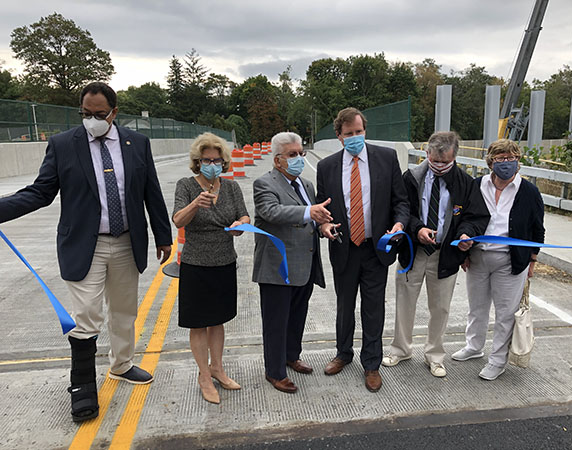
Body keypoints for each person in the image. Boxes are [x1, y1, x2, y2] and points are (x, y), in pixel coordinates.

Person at [0, 82, 172, 422]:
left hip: (126, 241)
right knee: (87, 316)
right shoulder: (64, 144)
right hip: (84, 244)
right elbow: (40, 192)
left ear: (114, 112)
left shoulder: (136, 143)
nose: (91, 120)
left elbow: (151, 190)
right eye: (85, 114)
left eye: (99, 114)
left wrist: (163, 236)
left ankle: (121, 365)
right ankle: (82, 387)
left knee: (124, 312)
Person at [316, 107, 410, 392]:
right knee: (345, 306)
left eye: (359, 132)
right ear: (339, 136)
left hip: (376, 247)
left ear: (364, 130)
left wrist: (399, 224)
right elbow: (323, 208)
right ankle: (344, 353)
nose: (355, 137)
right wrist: (323, 227)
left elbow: (401, 201)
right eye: (348, 134)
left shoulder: (386, 158)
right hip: (344, 246)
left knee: (373, 308)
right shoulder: (327, 166)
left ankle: (371, 364)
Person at [382, 131, 490, 377]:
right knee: (405, 302)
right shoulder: (411, 178)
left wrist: (465, 236)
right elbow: (400, 209)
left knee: (440, 308)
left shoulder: (465, 183)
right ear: (427, 153)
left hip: (446, 254)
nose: (440, 166)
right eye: (435, 160)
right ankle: (400, 348)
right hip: (414, 251)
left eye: (446, 162)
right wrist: (417, 228)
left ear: (455, 157)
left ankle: (435, 354)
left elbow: (476, 217)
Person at [452, 139, 545, 381]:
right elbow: (466, 218)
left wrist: (532, 261)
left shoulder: (529, 191)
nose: (506, 162)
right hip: (478, 256)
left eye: (511, 157)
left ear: (518, 160)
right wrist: (463, 249)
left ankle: (497, 360)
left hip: (510, 260)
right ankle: (474, 347)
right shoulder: (477, 185)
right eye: (500, 158)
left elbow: (537, 230)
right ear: (491, 161)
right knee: (477, 307)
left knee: (505, 313)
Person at [172, 132, 250, 404]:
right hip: (196, 264)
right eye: (207, 160)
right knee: (198, 323)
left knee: (218, 320)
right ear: (197, 161)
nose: (212, 164)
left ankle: (217, 368)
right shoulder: (186, 185)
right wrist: (196, 203)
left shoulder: (230, 188)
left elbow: (244, 214)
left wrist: (241, 224)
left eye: (217, 160)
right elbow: (178, 220)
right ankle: (203, 375)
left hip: (225, 262)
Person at [253, 132, 330, 394]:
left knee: (297, 316)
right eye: (292, 154)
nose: (299, 158)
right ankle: (275, 372)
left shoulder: (306, 185)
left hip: (304, 264)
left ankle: (291, 355)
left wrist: (324, 226)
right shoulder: (264, 184)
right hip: (278, 267)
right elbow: (272, 212)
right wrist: (310, 211)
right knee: (276, 321)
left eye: (301, 153)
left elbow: (313, 219)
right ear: (278, 161)